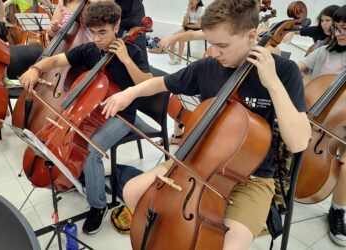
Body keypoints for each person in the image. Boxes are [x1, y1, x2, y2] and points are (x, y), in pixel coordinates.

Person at [102, 0, 311, 249]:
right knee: (132, 192)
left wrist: (272, 83)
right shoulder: (207, 67)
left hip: (250, 177)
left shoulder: (284, 71)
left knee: (228, 245)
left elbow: (298, 142)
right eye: (211, 44)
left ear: (251, 36)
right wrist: (129, 94)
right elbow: (160, 83)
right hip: (197, 161)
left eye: (222, 45)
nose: (213, 53)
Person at [19, 1, 152, 234]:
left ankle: (98, 205)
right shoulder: (91, 50)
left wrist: (126, 60)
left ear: (117, 26)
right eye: (92, 33)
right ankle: (80, 179)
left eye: (103, 32)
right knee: (71, 138)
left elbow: (148, 84)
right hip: (93, 111)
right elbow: (58, 60)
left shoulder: (133, 51)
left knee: (91, 153)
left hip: (122, 115)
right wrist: (35, 69)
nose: (97, 39)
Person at [298, 5, 346, 246]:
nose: (338, 33)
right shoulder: (324, 51)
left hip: (341, 127)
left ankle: (338, 210)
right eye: (337, 28)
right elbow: (301, 66)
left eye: (345, 29)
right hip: (313, 117)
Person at [167, 0, 205, 65]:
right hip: (188, 27)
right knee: (174, 35)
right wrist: (188, 11)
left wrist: (187, 25)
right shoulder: (188, 8)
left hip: (198, 29)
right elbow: (183, 24)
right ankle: (171, 54)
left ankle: (179, 58)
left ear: (198, 1)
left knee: (182, 37)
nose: (191, 1)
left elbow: (199, 25)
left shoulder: (201, 9)